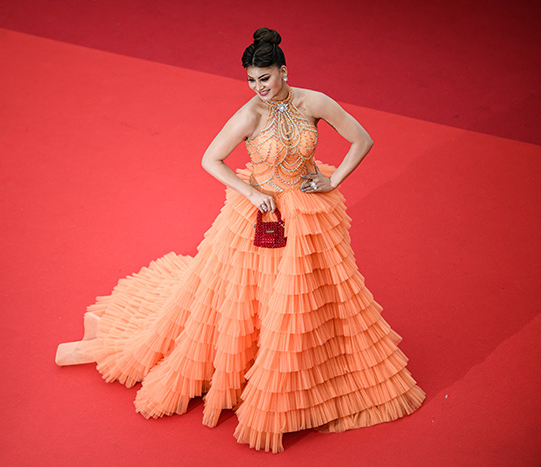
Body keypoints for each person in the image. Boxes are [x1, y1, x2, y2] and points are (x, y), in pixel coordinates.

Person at [56, 27, 426, 453]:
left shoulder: (315, 102)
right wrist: (251, 192)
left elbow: (363, 139)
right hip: (260, 213)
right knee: (253, 295)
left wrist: (333, 180)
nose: (258, 88)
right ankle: (256, 369)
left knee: (310, 293)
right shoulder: (248, 115)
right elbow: (210, 158)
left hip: (308, 211)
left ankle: (308, 375)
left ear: (283, 72)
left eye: (264, 78)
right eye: (251, 80)